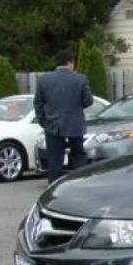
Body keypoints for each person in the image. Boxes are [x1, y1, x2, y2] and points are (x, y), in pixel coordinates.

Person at [34, 49, 94, 183]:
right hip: (75, 125)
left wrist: (44, 121)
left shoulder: (44, 80)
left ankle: (54, 186)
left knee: (54, 159)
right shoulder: (80, 79)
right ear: (70, 62)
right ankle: (80, 183)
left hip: (53, 126)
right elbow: (88, 101)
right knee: (78, 156)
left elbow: (38, 103)